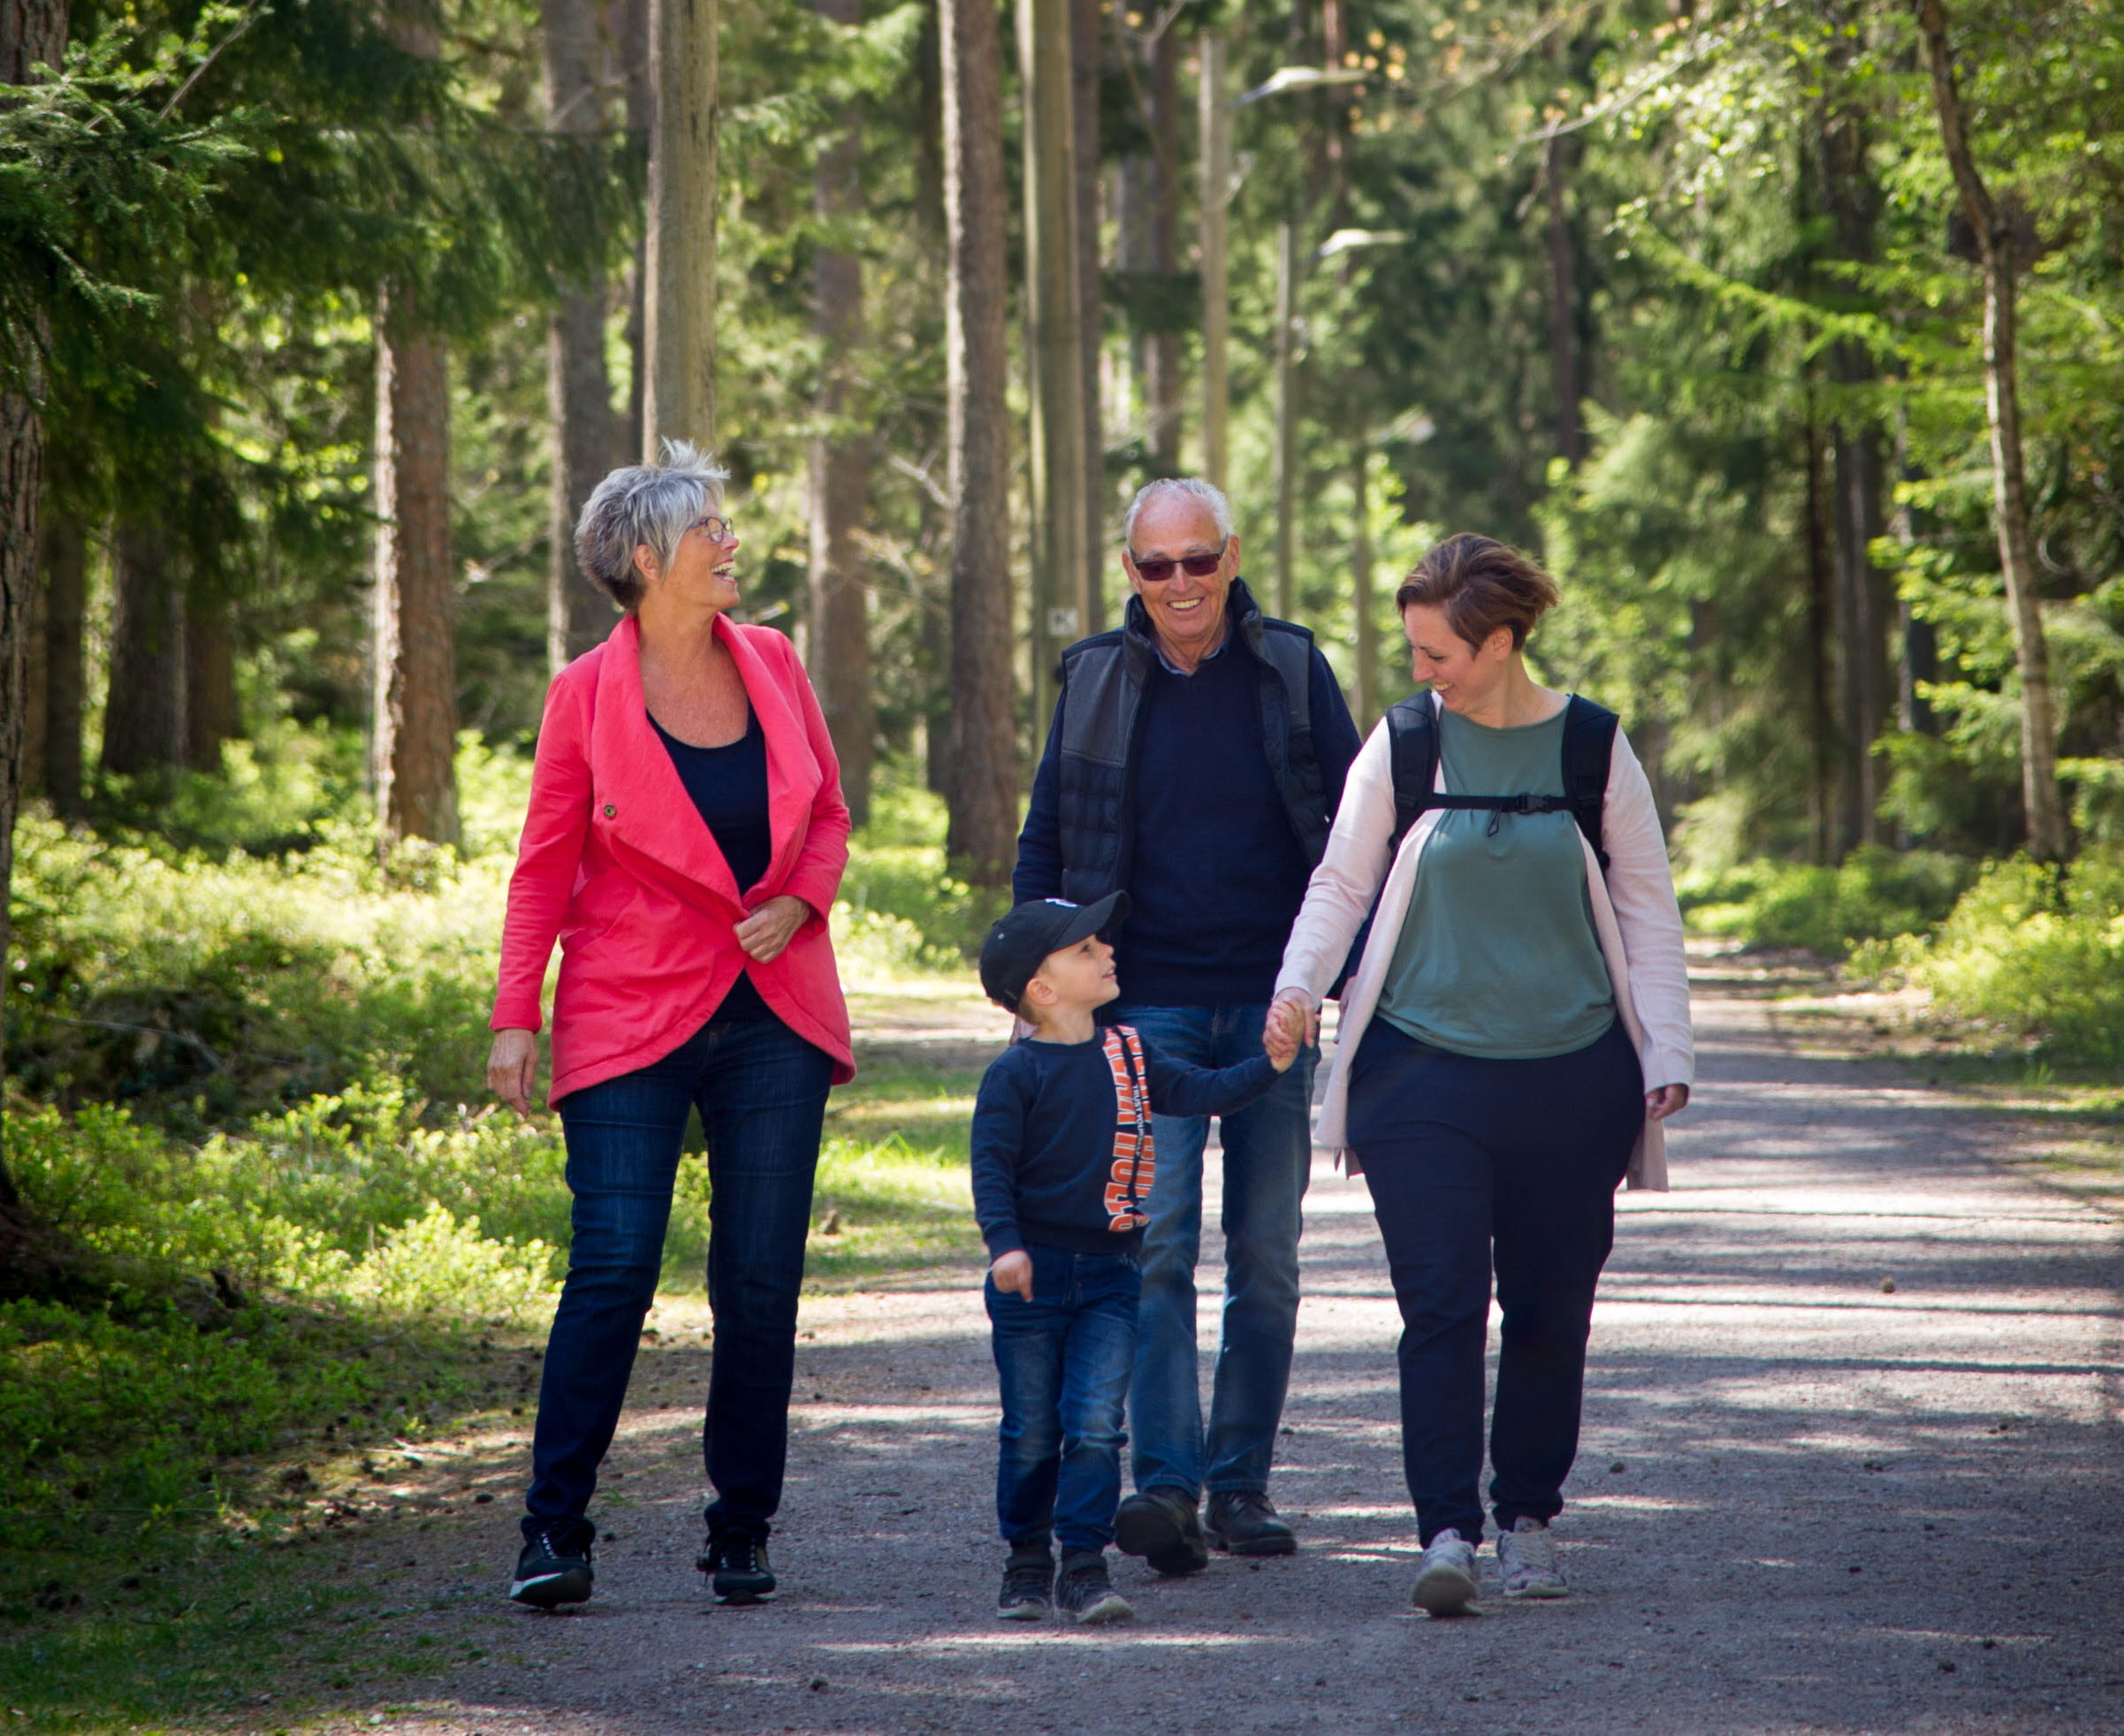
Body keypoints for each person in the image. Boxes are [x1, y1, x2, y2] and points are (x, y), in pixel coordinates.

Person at [1268, 533, 1692, 1615]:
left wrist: (1668, 1052)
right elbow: (1340, 882)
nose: (1421, 669)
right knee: (1443, 1302)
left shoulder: (1594, 746)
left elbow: (1646, 905)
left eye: (1438, 651)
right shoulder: (1405, 745)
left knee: (1553, 1308)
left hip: (1571, 1075)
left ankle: (1528, 1515)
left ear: (1500, 642)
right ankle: (1445, 1528)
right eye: (1413, 648)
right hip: (1422, 1073)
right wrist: (1296, 990)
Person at [486, 442, 855, 1611]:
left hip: (770, 1012)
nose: (728, 543)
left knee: (756, 1278)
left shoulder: (777, 663)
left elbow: (831, 817)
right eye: (707, 529)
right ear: (643, 559)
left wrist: (802, 897)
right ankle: (555, 1532)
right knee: (611, 1267)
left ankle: (740, 1526)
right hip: (623, 1007)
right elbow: (544, 865)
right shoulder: (580, 695)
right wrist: (513, 1016)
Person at [1013, 477, 1362, 1573]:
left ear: (1232, 556)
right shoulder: (1094, 680)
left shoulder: (1294, 669)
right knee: (1154, 1245)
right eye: (1157, 566)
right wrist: (1034, 992)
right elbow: (1045, 840)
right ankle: (1164, 1485)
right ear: (1131, 571)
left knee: (1266, 1253)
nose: (1180, 585)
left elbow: (1359, 841)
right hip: (1142, 1008)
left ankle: (1241, 1484)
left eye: (1199, 562)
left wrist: (1334, 982)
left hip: (1272, 1007)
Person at [971, 895, 1299, 1625]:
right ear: (1041, 989)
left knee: (1094, 1426)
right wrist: (1006, 1247)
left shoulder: (1128, 1051)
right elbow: (990, 1168)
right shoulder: (1013, 1074)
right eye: (1085, 950)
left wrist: (1269, 1064)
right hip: (1032, 1280)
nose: (1107, 952)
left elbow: (1199, 1092)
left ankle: (1083, 1568)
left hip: (1113, 1277)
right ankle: (1026, 1561)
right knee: (1030, 1429)